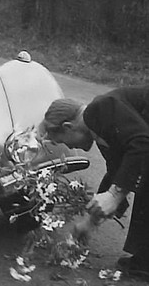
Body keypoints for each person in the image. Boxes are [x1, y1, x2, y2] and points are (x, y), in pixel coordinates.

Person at [41, 86, 149, 279]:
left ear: (68, 127)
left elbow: (142, 144)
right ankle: (144, 261)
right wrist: (90, 221)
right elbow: (119, 171)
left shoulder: (100, 108)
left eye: (63, 141)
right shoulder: (100, 127)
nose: (70, 147)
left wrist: (114, 196)